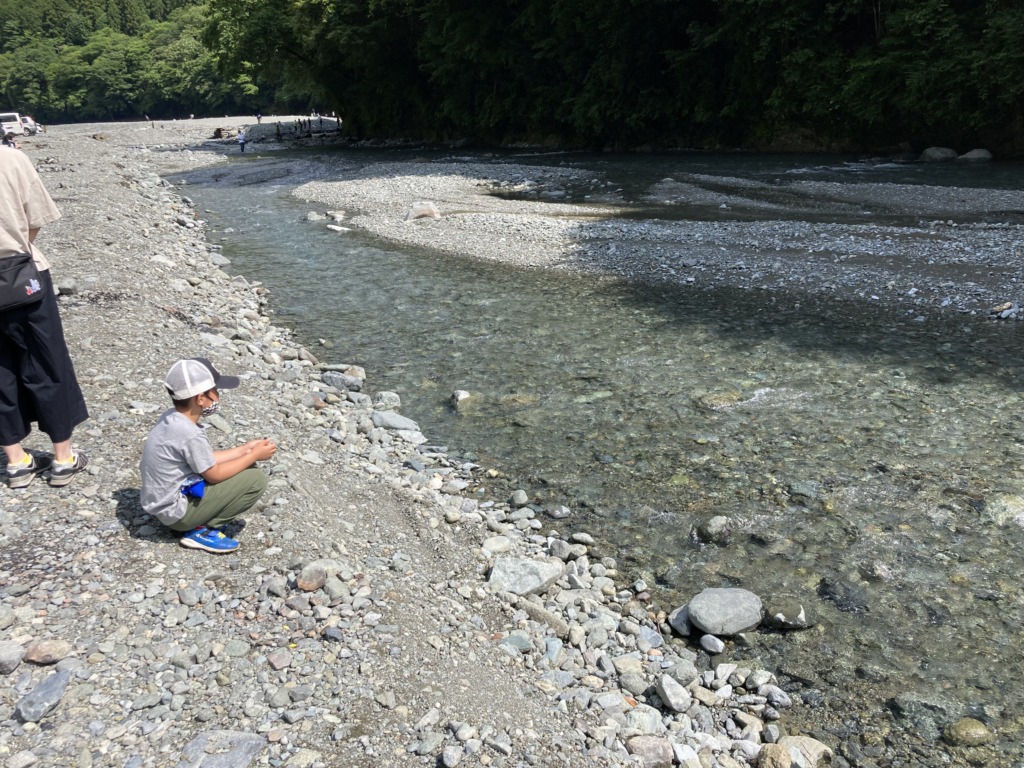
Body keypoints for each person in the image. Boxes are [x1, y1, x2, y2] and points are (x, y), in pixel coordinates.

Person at [0, 144, 89, 488]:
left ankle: (16, 461)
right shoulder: (11, 158)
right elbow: (35, 220)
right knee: (46, 363)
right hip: (21, 273)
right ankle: (63, 458)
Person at [140, 358, 276, 553]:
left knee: (246, 467)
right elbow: (214, 474)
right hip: (177, 514)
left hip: (162, 505)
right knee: (256, 479)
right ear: (200, 398)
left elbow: (203, 459)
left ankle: (198, 522)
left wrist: (243, 450)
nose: (218, 396)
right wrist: (254, 455)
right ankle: (203, 531)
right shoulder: (190, 433)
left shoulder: (172, 418)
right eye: (215, 391)